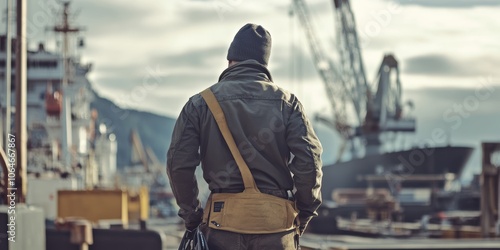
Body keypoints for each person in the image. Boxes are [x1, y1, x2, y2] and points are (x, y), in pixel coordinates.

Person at [167, 23, 323, 250]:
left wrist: (192, 215)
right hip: (277, 228)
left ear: (230, 59)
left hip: (221, 228)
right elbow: (310, 163)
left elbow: (178, 164)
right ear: (264, 64)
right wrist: (304, 212)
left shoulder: (200, 104)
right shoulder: (288, 104)